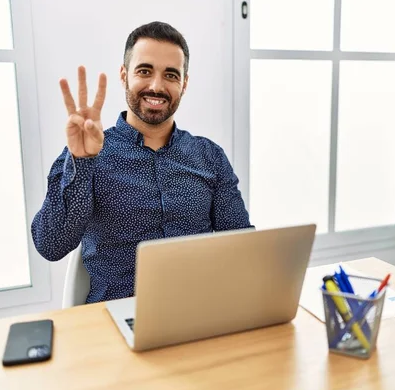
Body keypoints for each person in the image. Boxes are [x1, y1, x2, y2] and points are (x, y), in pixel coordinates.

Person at [31, 21, 252, 303]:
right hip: (115, 317)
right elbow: (51, 245)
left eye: (171, 75)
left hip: (197, 312)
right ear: (124, 75)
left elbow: (241, 248)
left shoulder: (209, 157)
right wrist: (81, 161)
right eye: (144, 71)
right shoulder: (90, 152)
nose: (157, 86)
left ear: (184, 84)